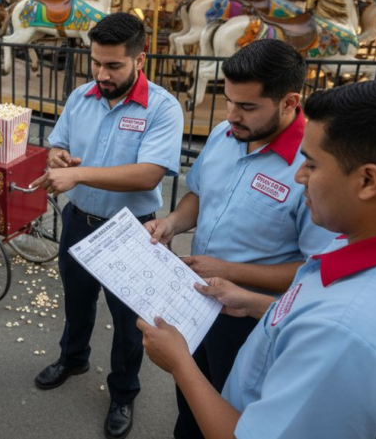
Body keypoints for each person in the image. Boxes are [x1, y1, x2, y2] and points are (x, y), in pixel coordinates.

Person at [139, 79, 376, 439]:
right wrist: (256, 304)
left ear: (369, 181)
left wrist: (179, 363)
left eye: (312, 164)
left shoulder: (344, 337)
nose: (299, 176)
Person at [142, 39, 335, 439]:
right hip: (196, 299)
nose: (232, 115)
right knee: (191, 401)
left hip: (250, 318)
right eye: (228, 100)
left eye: (247, 107)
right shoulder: (223, 134)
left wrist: (228, 271)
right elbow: (199, 193)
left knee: (232, 415)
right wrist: (172, 224)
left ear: (288, 102)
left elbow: (317, 271)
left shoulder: (313, 166)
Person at [28, 12, 184, 439]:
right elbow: (57, 144)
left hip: (131, 230)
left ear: (140, 59)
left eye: (113, 65)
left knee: (128, 322)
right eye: (96, 62)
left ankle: (123, 393)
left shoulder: (164, 108)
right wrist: (57, 158)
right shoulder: (82, 96)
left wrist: (78, 175)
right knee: (77, 302)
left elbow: (148, 174)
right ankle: (73, 358)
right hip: (79, 221)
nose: (102, 73)